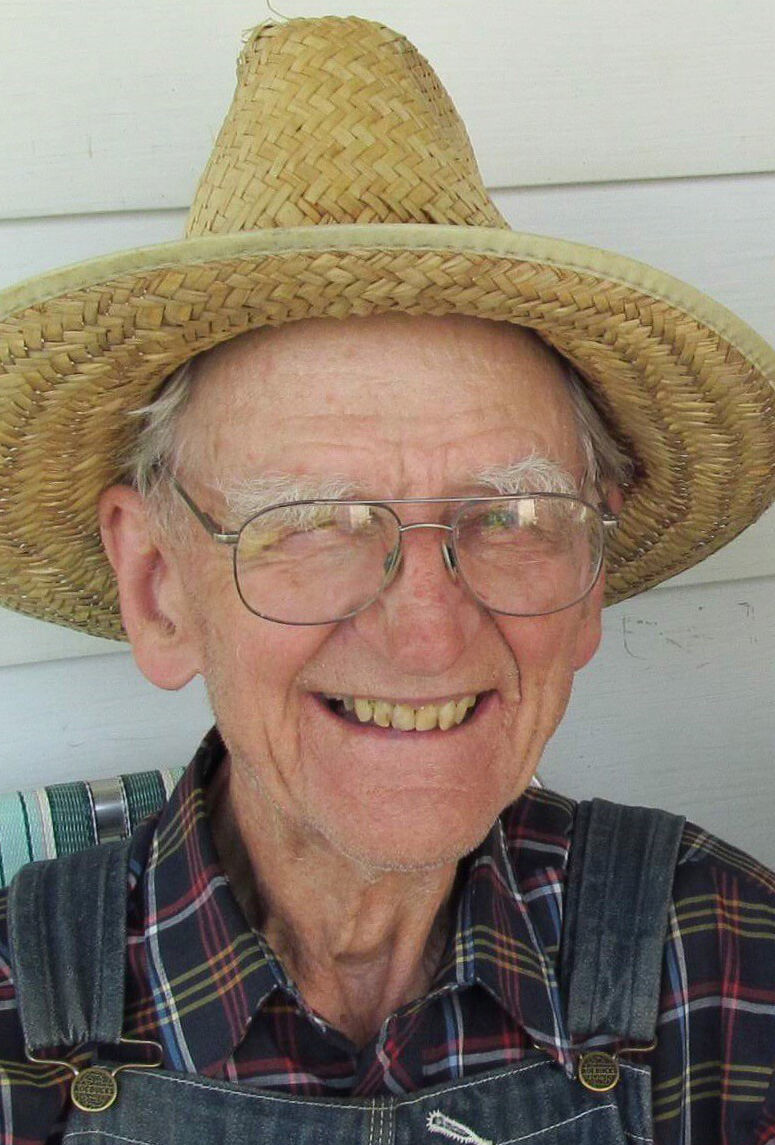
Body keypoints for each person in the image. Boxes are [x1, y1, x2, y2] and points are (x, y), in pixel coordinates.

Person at [0, 14, 773, 1145]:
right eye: (314, 522)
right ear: (159, 585)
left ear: (590, 577)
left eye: (510, 516)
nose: (427, 634)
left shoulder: (722, 957)